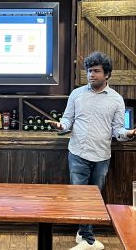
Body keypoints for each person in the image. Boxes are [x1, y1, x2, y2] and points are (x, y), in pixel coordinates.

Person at [51, 52, 136, 250]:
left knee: (95, 198)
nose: (91, 75)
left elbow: (117, 130)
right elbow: (67, 120)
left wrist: (129, 133)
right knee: (80, 197)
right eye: (89, 71)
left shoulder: (116, 100)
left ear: (107, 74)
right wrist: (61, 126)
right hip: (77, 153)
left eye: (96, 71)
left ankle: (83, 233)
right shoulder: (76, 94)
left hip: (102, 156)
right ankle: (88, 237)